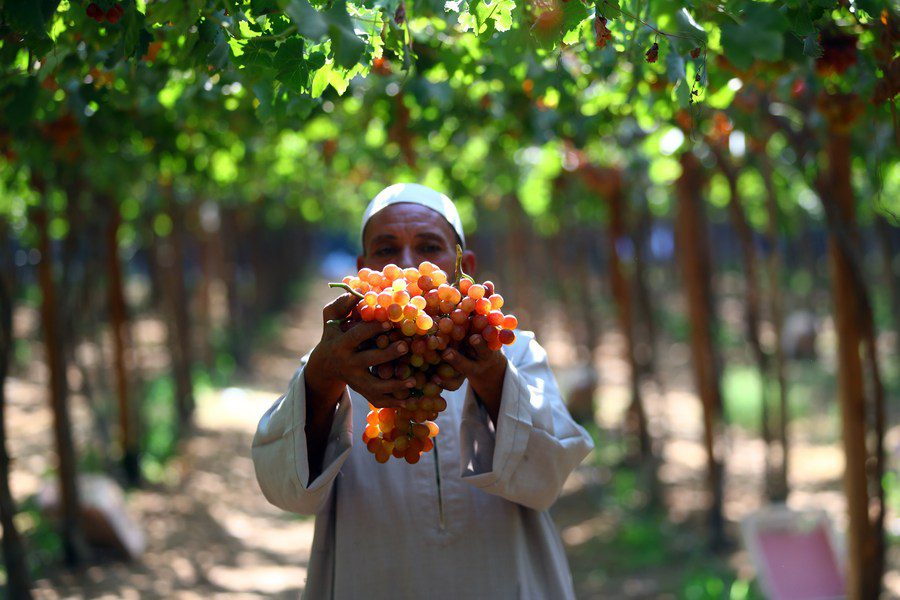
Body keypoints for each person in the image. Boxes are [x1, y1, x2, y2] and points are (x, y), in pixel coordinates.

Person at [252, 183, 594, 599]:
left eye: (429, 247)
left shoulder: (513, 351)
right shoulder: (337, 364)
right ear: (363, 269)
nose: (408, 265)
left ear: (465, 265)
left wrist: (493, 378)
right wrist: (321, 380)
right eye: (386, 250)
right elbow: (285, 489)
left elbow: (549, 475)